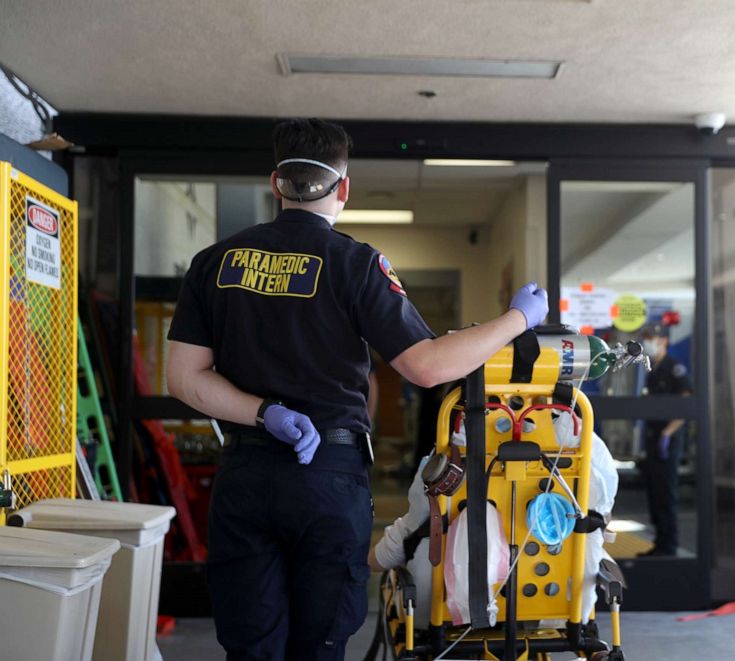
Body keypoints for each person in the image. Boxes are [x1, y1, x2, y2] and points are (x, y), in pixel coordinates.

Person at [165, 118, 549, 661]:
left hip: (246, 476)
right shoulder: (355, 264)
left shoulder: (214, 263)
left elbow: (183, 378)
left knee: (250, 646)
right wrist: (517, 318)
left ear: (276, 183)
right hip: (327, 476)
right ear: (344, 188)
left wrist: (263, 412)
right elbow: (428, 367)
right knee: (319, 645)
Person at [369, 411, 618, 627]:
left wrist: (365, 560)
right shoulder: (588, 455)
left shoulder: (449, 459)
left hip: (446, 614)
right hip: (552, 610)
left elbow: (403, 540)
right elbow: (596, 526)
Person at [638, 321, 691, 556]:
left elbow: (686, 404)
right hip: (653, 439)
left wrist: (668, 433)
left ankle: (669, 545)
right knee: (654, 491)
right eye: (647, 339)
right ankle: (660, 542)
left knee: (666, 492)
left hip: (667, 442)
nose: (649, 344)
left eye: (654, 340)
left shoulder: (674, 367)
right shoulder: (652, 370)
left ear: (664, 342)